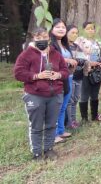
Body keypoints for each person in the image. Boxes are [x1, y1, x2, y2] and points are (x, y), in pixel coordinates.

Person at [14, 27, 69, 160]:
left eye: (44, 37)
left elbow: (65, 71)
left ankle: (49, 149)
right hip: (35, 95)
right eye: (38, 38)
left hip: (55, 95)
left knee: (51, 124)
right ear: (34, 39)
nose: (41, 40)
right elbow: (18, 73)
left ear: (49, 38)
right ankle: (37, 153)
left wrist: (58, 75)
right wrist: (37, 76)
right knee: (36, 126)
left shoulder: (55, 54)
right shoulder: (27, 54)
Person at [49, 19, 75, 143]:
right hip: (57, 80)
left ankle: (60, 130)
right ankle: (53, 134)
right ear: (52, 29)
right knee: (56, 106)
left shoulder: (64, 44)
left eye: (63, 27)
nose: (61, 29)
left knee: (63, 106)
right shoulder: (50, 44)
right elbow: (52, 60)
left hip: (68, 78)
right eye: (58, 27)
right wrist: (67, 60)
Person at [75, 21, 101, 122]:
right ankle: (84, 118)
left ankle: (94, 116)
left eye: (92, 28)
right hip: (85, 72)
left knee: (95, 94)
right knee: (84, 94)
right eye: (88, 28)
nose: (90, 30)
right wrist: (88, 62)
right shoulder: (79, 41)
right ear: (84, 30)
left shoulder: (98, 42)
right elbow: (76, 55)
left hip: (96, 72)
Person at [66, 25, 86, 129]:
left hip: (79, 75)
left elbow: (82, 61)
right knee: (69, 100)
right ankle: (69, 122)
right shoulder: (64, 46)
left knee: (75, 99)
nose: (74, 35)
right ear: (66, 33)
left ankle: (73, 120)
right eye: (72, 32)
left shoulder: (78, 46)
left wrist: (80, 62)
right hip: (70, 76)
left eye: (76, 33)